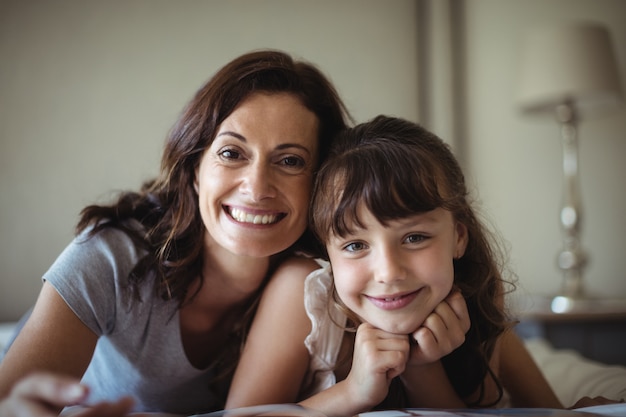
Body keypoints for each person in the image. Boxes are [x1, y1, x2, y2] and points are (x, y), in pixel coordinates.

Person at [0, 49, 351, 416]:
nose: (257, 186)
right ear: (195, 169)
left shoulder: (313, 286)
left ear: (321, 183)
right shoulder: (109, 257)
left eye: (290, 161)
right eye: (232, 153)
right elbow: (11, 405)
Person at [229, 115, 596, 417]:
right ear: (328, 252)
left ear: (459, 238)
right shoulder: (305, 295)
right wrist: (353, 392)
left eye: (414, 238)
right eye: (356, 245)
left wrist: (422, 370)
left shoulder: (476, 293)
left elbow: (544, 409)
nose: (388, 272)